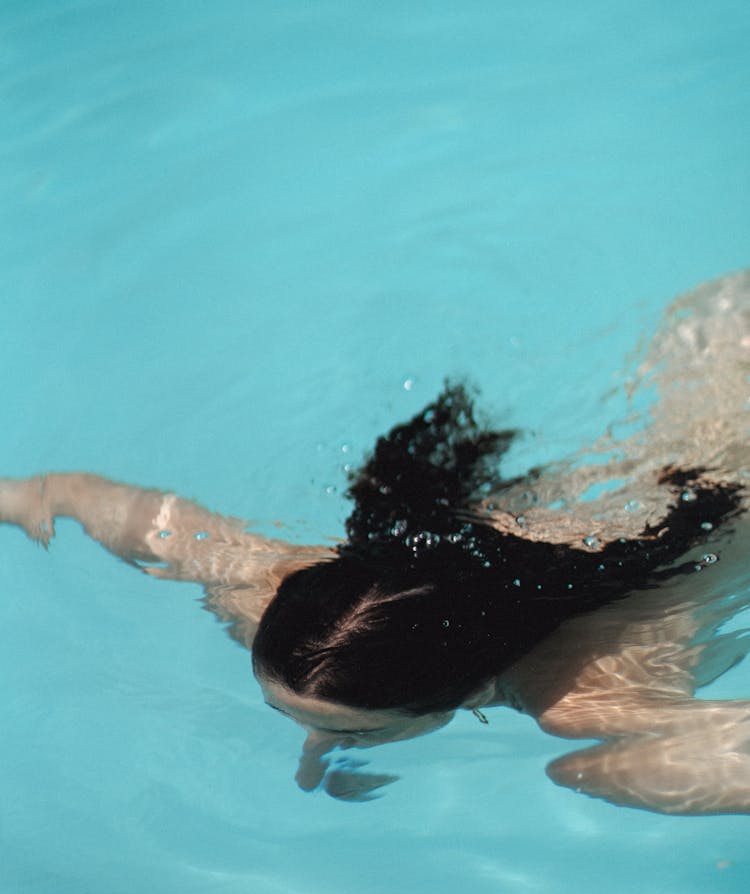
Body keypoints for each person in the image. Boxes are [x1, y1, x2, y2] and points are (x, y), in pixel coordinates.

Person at [2, 270, 750, 814]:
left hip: (726, 446)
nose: (304, 741)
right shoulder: (274, 593)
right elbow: (150, 523)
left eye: (322, 723)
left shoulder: (580, 698)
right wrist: (40, 496)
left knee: (593, 775)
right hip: (692, 377)